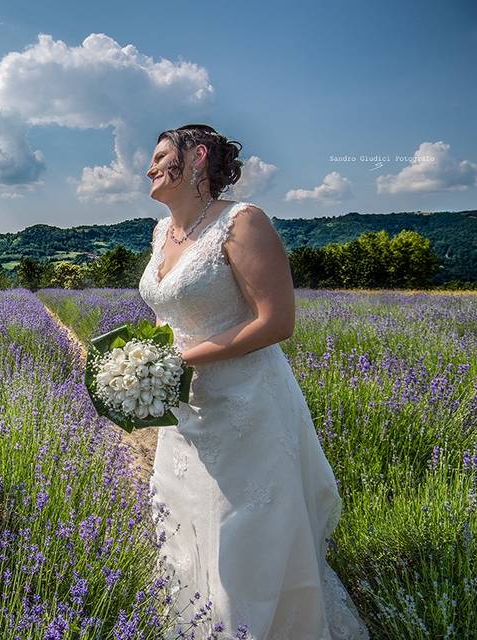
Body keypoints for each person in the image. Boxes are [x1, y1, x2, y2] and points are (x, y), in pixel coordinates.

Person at [139, 124, 369, 639]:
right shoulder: (162, 233)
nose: (149, 169)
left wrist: (181, 361)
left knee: (242, 528)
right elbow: (166, 317)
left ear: (196, 158)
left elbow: (276, 320)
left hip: (245, 404)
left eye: (159, 157)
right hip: (185, 406)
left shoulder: (243, 222)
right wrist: (147, 369)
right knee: (188, 521)